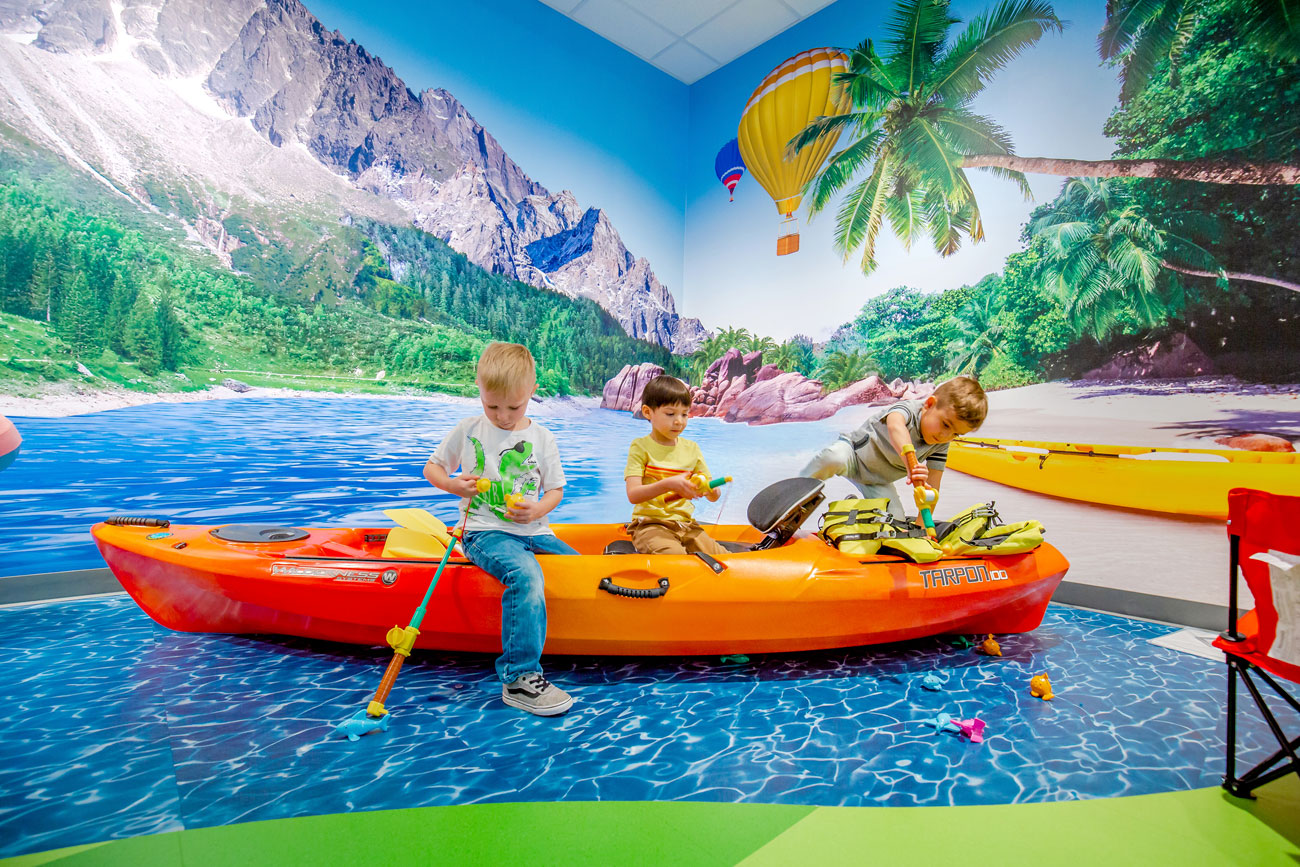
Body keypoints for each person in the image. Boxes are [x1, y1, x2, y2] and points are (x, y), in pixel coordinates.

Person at [424, 342, 576, 716]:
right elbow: (433, 469)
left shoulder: (542, 438)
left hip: (536, 531)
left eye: (514, 407)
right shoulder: (468, 429)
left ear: (532, 391)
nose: (503, 416)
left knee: (580, 569)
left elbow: (555, 490)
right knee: (524, 575)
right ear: (478, 386)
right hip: (483, 530)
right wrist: (454, 485)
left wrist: (539, 507)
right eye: (492, 406)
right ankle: (519, 677)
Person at [800, 375, 987, 520]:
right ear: (929, 404)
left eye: (956, 434)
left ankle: (854, 511)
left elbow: (932, 488)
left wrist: (923, 530)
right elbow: (895, 425)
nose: (946, 436)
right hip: (854, 455)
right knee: (832, 458)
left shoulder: (941, 445)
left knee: (894, 520)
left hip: (877, 480)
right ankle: (790, 496)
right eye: (946, 425)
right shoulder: (909, 409)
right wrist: (911, 464)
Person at [624, 374, 730, 556]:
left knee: (724, 559)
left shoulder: (692, 449)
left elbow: (713, 496)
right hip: (650, 526)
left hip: (687, 526)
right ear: (648, 412)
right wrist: (668, 484)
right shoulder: (640, 447)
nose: (679, 421)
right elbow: (633, 495)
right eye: (670, 414)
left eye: (685, 414)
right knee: (677, 559)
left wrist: (709, 489)